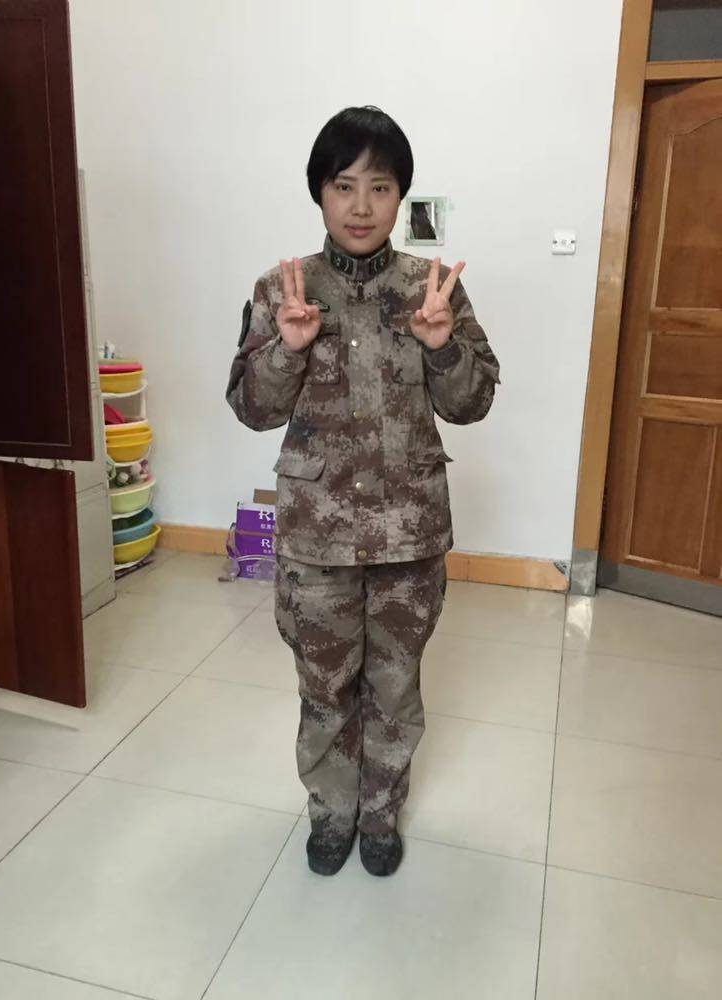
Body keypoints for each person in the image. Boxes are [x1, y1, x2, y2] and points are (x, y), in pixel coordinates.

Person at [226, 106, 500, 878]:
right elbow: (252, 407)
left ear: (400, 196)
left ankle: (379, 814)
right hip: (317, 538)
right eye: (343, 185)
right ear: (319, 191)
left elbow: (472, 402)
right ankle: (330, 812)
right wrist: (288, 347)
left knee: (395, 687)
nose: (360, 205)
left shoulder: (431, 289)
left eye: (380, 187)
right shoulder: (283, 288)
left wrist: (442, 346)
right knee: (323, 687)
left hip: (409, 533)